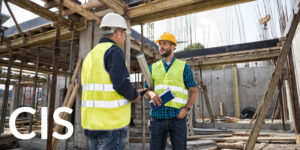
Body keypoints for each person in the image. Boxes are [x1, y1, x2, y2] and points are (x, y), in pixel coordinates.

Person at [81, 13, 146, 150]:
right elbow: (121, 84)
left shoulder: (91, 55)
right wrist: (134, 95)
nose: (124, 38)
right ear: (117, 33)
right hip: (111, 123)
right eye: (124, 34)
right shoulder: (113, 50)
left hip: (92, 122)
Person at [145, 32, 198, 150]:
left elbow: (194, 91)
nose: (161, 46)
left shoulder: (184, 67)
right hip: (157, 118)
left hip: (177, 119)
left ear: (173, 47)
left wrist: (186, 109)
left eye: (164, 43)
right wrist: (151, 93)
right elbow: (146, 89)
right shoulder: (152, 67)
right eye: (160, 44)